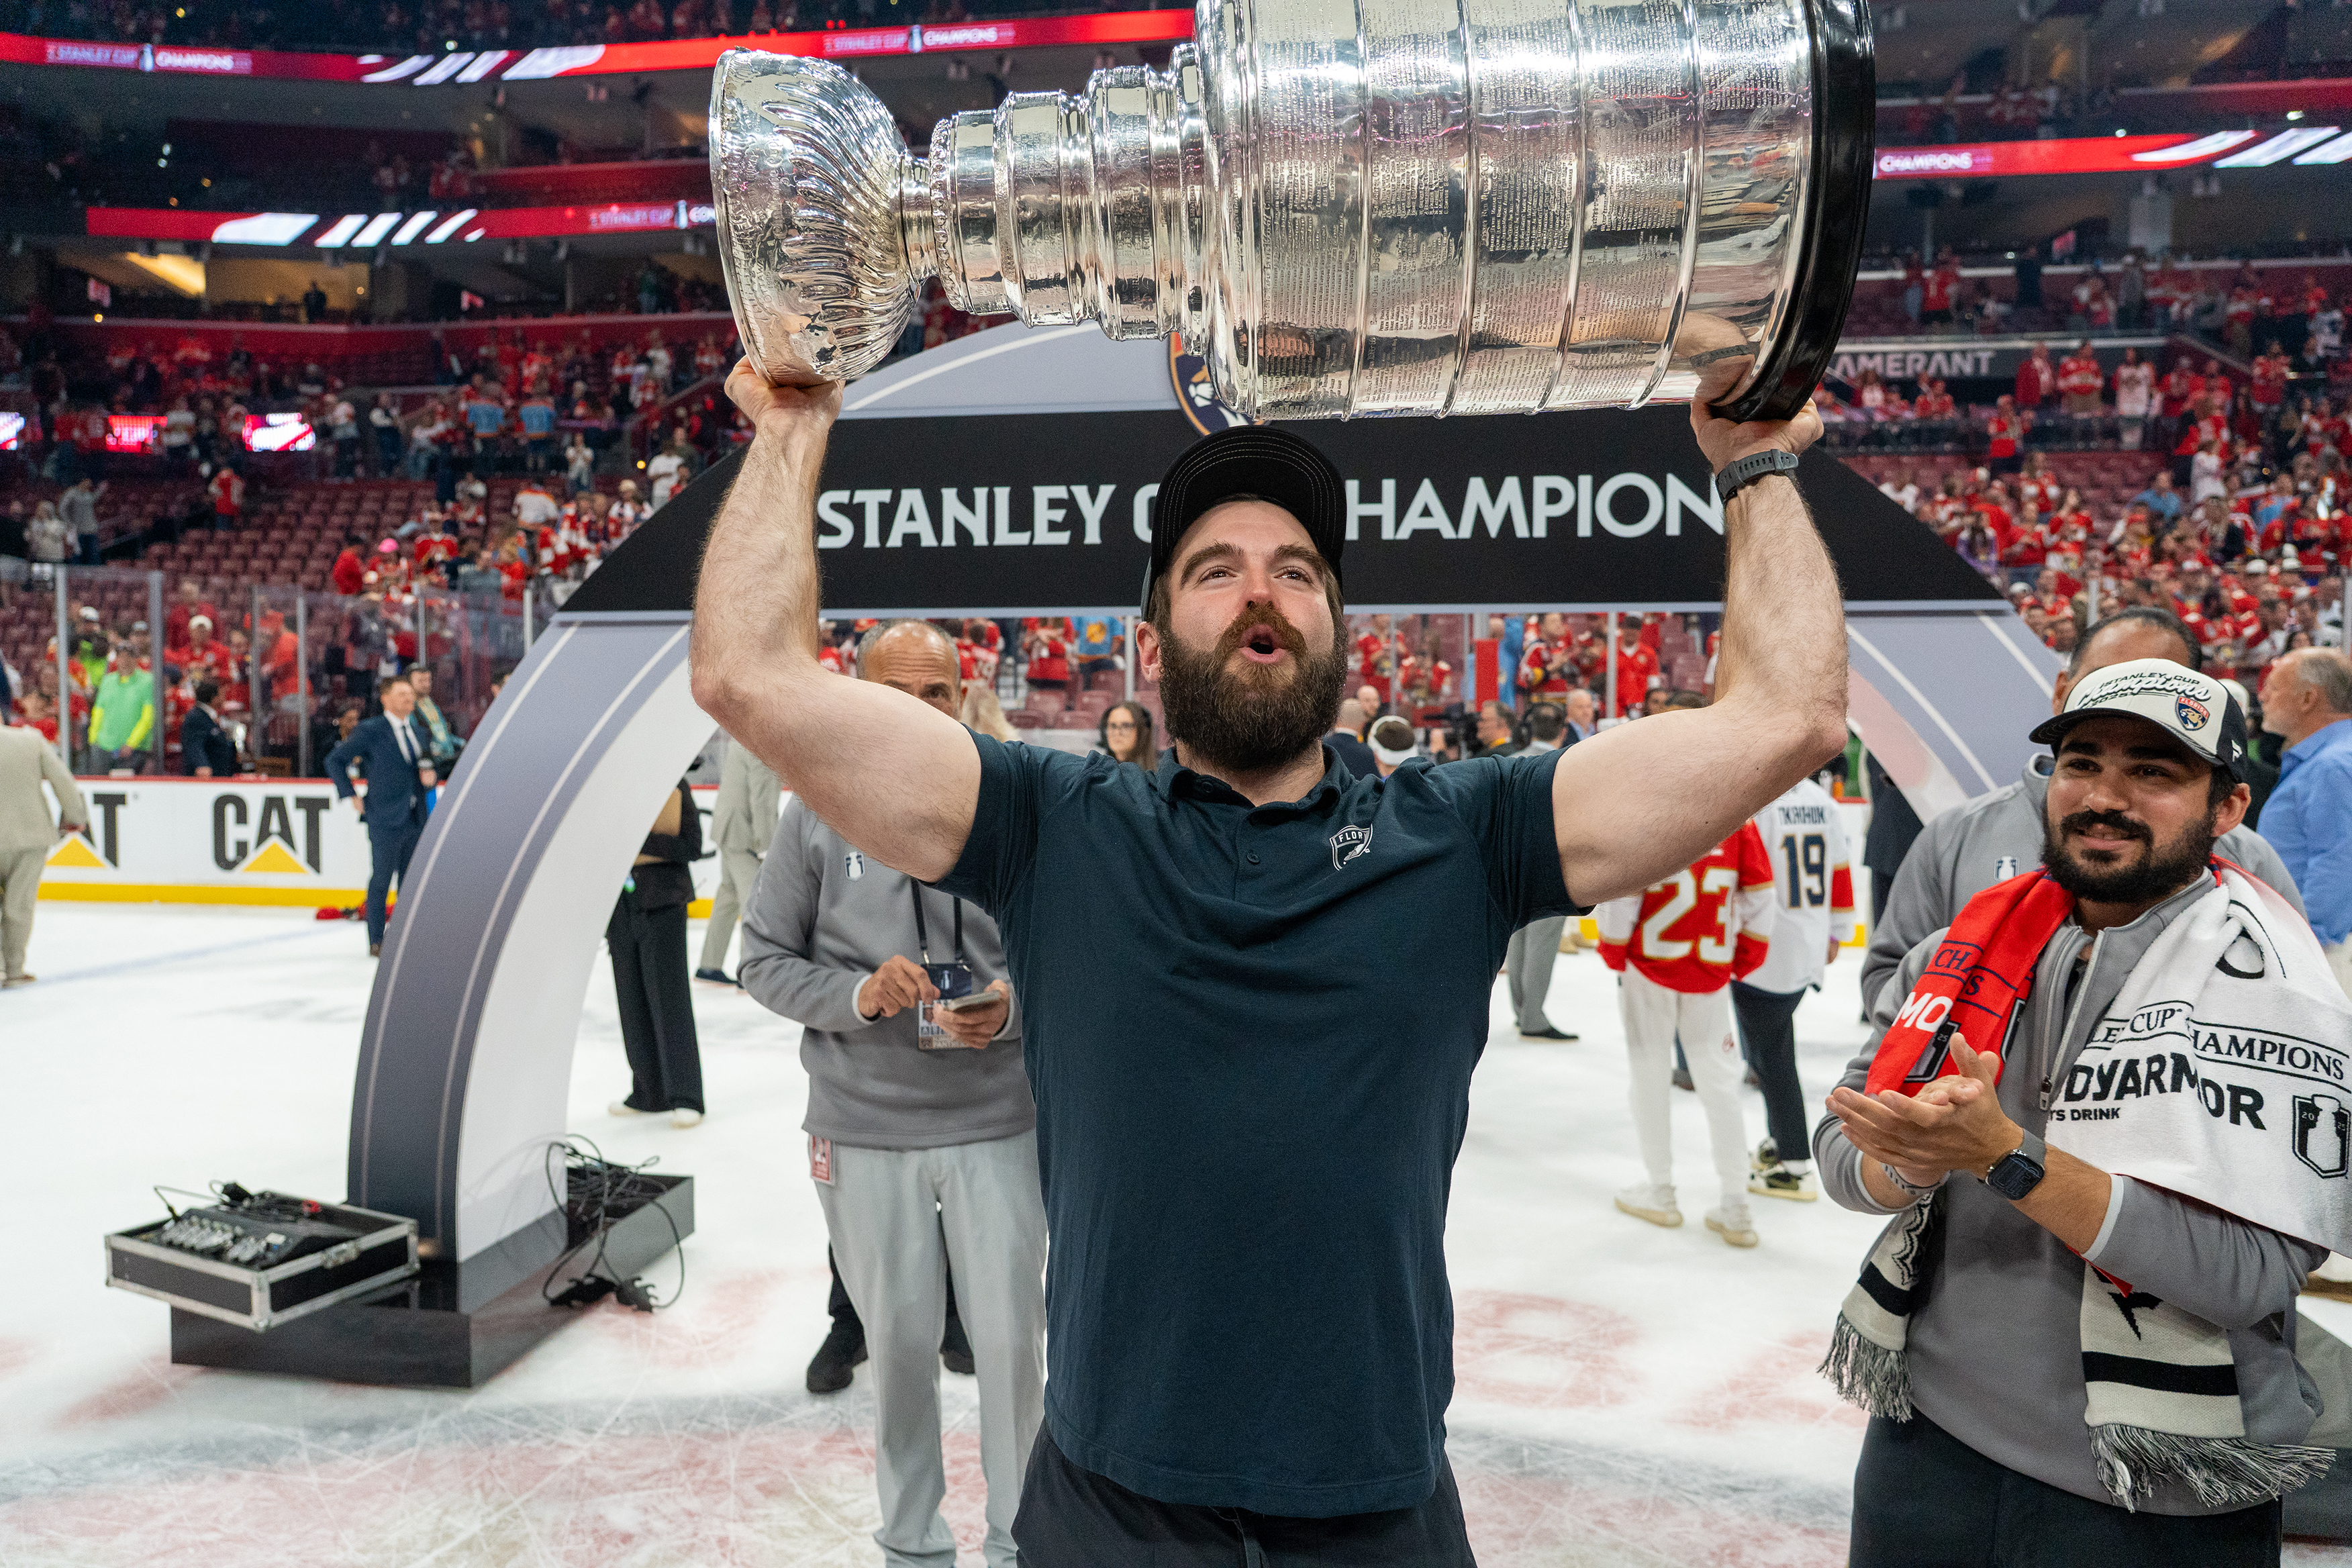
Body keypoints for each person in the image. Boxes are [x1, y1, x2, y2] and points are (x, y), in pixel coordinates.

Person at [691, 346, 1847, 1561]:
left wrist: (1758, 464)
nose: (1261, 592)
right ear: (1147, 650)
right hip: (1107, 1507)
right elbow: (747, 675)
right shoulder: (1051, 827)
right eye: (1214, 570)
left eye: (1297, 571)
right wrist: (786, 432)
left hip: (1375, 1504)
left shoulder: (1465, 832)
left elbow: (1787, 718)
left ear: (1338, 637)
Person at [1819, 658, 2350, 1564]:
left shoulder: (2277, 994)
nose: (2106, 796)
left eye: (2155, 770)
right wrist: (1908, 1158)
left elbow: (2251, 1275)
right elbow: (1844, 1146)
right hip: (1924, 1439)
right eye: (2082, 762)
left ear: (2229, 808)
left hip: (2162, 1483)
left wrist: (2004, 1156)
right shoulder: (1963, 950)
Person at [738, 618, 1042, 1568]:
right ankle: (911, 1544)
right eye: (895, 696)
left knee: (1012, 1354)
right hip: (863, 1132)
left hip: (999, 1123)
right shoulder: (815, 816)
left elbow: (1075, 956)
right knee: (902, 1355)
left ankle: (1020, 1538)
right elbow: (759, 961)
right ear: (855, 696)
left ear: (964, 695)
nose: (919, 716)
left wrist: (1013, 1009)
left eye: (937, 694)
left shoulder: (1018, 810)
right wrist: (858, 996)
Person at [1863, 608, 2304, 1015]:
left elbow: (2296, 1004)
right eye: (2109, 680)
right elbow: (1890, 976)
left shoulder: (2248, 858)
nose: (2131, 701)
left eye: (2158, 686)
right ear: (2061, 692)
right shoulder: (1955, 836)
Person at [1596, 822, 1775, 1246]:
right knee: (1720, 1086)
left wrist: (1614, 949)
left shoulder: (1654, 813)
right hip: (1709, 970)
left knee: (1648, 1077)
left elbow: (1624, 893)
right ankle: (1735, 1204)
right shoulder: (1740, 821)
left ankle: (1660, 1190)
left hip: (1649, 966)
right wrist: (1745, 956)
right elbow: (1762, 896)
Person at [1738, 771, 1855, 1202]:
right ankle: (1781, 1143)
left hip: (1765, 948)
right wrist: (1837, 930)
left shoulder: (1757, 801)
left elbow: (1749, 881)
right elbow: (1839, 870)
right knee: (1770, 1053)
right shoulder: (1820, 801)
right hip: (1805, 940)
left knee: (1773, 1059)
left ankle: (1794, 1162)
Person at [606, 778, 707, 1128]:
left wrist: (639, 840)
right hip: (620, 908)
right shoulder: (606, 789)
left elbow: (693, 847)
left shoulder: (673, 786)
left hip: (663, 902)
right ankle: (649, 1092)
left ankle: (685, 1094)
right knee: (631, 1000)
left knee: (670, 999)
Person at [2257, 648, 2352, 995]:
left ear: (2309, 698)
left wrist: (2308, 943)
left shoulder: (2334, 764)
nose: (2263, 696)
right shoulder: (2332, 758)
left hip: (2324, 950)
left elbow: (2341, 861)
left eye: (2275, 688)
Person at [326, 674, 431, 958]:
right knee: (382, 878)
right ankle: (376, 940)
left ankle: (405, 937)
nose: (409, 699)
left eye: (411, 694)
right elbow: (334, 760)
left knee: (410, 881)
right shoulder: (371, 730)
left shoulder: (420, 731)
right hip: (384, 816)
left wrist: (430, 777)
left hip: (415, 815)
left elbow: (424, 767)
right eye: (402, 694)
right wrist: (350, 794)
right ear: (385, 699)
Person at [1504, 702, 1578, 1040]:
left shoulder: (1509, 761)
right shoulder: (1568, 765)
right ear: (1563, 732)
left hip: (1510, 862)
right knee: (1542, 943)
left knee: (1519, 938)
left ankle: (1523, 1011)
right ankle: (1533, 1016)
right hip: (1550, 864)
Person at [0, 722, 87, 989]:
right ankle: (14, 970)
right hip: (30, 835)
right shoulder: (31, 741)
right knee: (19, 906)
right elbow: (63, 780)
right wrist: (76, 817)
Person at [696, 730, 779, 985]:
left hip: (729, 827)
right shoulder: (762, 744)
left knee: (728, 896)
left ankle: (709, 965)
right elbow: (762, 799)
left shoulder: (745, 736)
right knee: (753, 901)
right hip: (743, 835)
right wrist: (766, 847)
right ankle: (750, 972)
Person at [179, 679, 237, 777]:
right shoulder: (197, 717)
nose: (224, 698)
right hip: (209, 776)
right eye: (221, 695)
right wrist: (202, 764)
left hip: (220, 774)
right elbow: (194, 744)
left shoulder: (210, 716)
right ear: (214, 698)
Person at [1097, 701, 1158, 769]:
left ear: (1142, 732)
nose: (1117, 733)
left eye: (1126, 726)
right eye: (1113, 726)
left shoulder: (1158, 775)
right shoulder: (1097, 771)